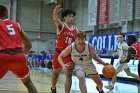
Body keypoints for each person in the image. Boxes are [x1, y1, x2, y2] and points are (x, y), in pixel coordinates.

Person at [0, 5, 37, 93]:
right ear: (6, 13)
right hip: (18, 56)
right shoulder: (16, 24)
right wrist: (22, 55)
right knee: (28, 82)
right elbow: (28, 45)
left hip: (3, 56)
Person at [51, 5, 78, 93]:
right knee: (55, 74)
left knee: (69, 73)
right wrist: (55, 12)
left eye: (73, 16)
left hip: (68, 54)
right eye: (69, 16)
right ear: (65, 17)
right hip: (58, 53)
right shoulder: (61, 26)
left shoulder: (76, 30)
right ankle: (53, 87)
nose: (71, 18)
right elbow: (55, 19)